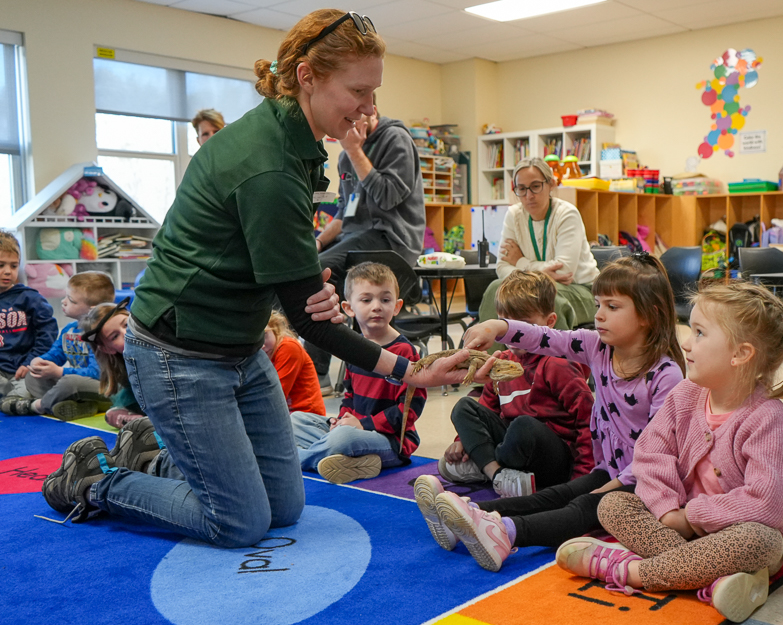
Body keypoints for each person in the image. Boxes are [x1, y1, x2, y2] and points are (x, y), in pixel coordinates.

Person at [40, 9, 489, 546]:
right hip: (179, 353)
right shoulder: (270, 164)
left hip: (240, 345)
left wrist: (299, 278)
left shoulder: (292, 137)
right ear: (307, 76)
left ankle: (151, 458)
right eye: (359, 92)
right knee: (239, 522)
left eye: (375, 93)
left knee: (284, 506)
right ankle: (97, 481)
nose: (370, 109)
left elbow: (277, 265)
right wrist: (410, 371)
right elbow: (310, 321)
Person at [557, 281, 783, 624]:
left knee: (760, 540)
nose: (686, 343)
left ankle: (630, 571)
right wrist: (667, 511)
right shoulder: (685, 395)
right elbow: (649, 455)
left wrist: (692, 516)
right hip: (678, 527)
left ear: (740, 354)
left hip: (740, 535)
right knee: (613, 503)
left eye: (700, 333)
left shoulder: (768, 417)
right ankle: (712, 578)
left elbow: (767, 506)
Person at [415, 254, 685, 572]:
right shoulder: (597, 346)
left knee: (582, 506)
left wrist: (612, 484)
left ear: (649, 315)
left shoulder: (666, 375)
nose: (598, 315)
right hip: (612, 470)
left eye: (612, 307)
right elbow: (545, 337)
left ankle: (506, 533)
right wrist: (497, 326)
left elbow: (655, 454)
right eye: (598, 304)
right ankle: (470, 513)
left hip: (647, 481)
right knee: (558, 494)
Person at [436, 270, 594, 499]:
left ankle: (486, 466)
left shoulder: (557, 365)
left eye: (525, 327)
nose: (516, 336)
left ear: (549, 322)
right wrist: (462, 441)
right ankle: (497, 473)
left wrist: (581, 479)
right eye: (509, 327)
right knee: (464, 407)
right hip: (512, 449)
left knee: (523, 426)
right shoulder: (501, 362)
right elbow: (487, 409)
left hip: (552, 458)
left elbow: (588, 421)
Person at [306, 92, 426, 393]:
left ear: (374, 111)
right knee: (312, 269)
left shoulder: (395, 139)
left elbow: (388, 197)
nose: (355, 123)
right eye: (350, 118)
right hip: (357, 237)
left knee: (320, 272)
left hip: (392, 239)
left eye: (361, 116)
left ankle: (317, 372)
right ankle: (317, 371)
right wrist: (319, 243)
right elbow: (347, 213)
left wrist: (355, 150)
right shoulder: (347, 155)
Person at [291, 262, 425, 484]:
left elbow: (409, 411)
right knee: (296, 420)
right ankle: (348, 461)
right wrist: (340, 419)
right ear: (348, 308)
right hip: (354, 428)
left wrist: (364, 425)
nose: (376, 306)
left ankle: (298, 459)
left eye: (385, 299)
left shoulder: (405, 352)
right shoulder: (354, 348)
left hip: (391, 442)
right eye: (366, 299)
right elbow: (349, 396)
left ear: (397, 306)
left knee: (343, 438)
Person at [478, 157, 599, 348]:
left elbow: (563, 270)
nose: (529, 195)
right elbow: (501, 267)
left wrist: (520, 262)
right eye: (522, 188)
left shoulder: (567, 213)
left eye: (535, 186)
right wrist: (540, 272)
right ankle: (486, 369)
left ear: (550, 184)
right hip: (535, 289)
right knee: (497, 288)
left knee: (550, 299)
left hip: (581, 291)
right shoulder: (513, 215)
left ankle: (555, 371)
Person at [14, 271, 115, 420]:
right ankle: (79, 406)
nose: (63, 302)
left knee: (69, 382)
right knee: (33, 376)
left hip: (105, 389)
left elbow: (96, 373)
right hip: (77, 386)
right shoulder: (69, 329)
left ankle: (37, 406)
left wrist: (59, 372)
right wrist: (40, 361)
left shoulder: (101, 333)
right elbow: (56, 353)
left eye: (71, 300)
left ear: (92, 309)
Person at [0, 230, 58, 409]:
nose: (7, 271)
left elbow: (48, 333)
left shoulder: (29, 297)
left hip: (24, 369)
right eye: (1, 265)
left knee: (27, 390)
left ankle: (20, 403)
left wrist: (31, 361)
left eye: (13, 266)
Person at [78, 299, 146, 429]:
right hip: (148, 408)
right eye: (115, 336)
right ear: (107, 348)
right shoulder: (124, 368)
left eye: (126, 325)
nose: (126, 334)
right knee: (112, 414)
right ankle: (140, 422)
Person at [263, 310, 325, 416]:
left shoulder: (288, 347)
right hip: (282, 415)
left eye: (264, 335)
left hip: (306, 416)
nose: (262, 345)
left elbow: (276, 395)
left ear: (274, 328)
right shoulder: (257, 353)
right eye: (255, 340)